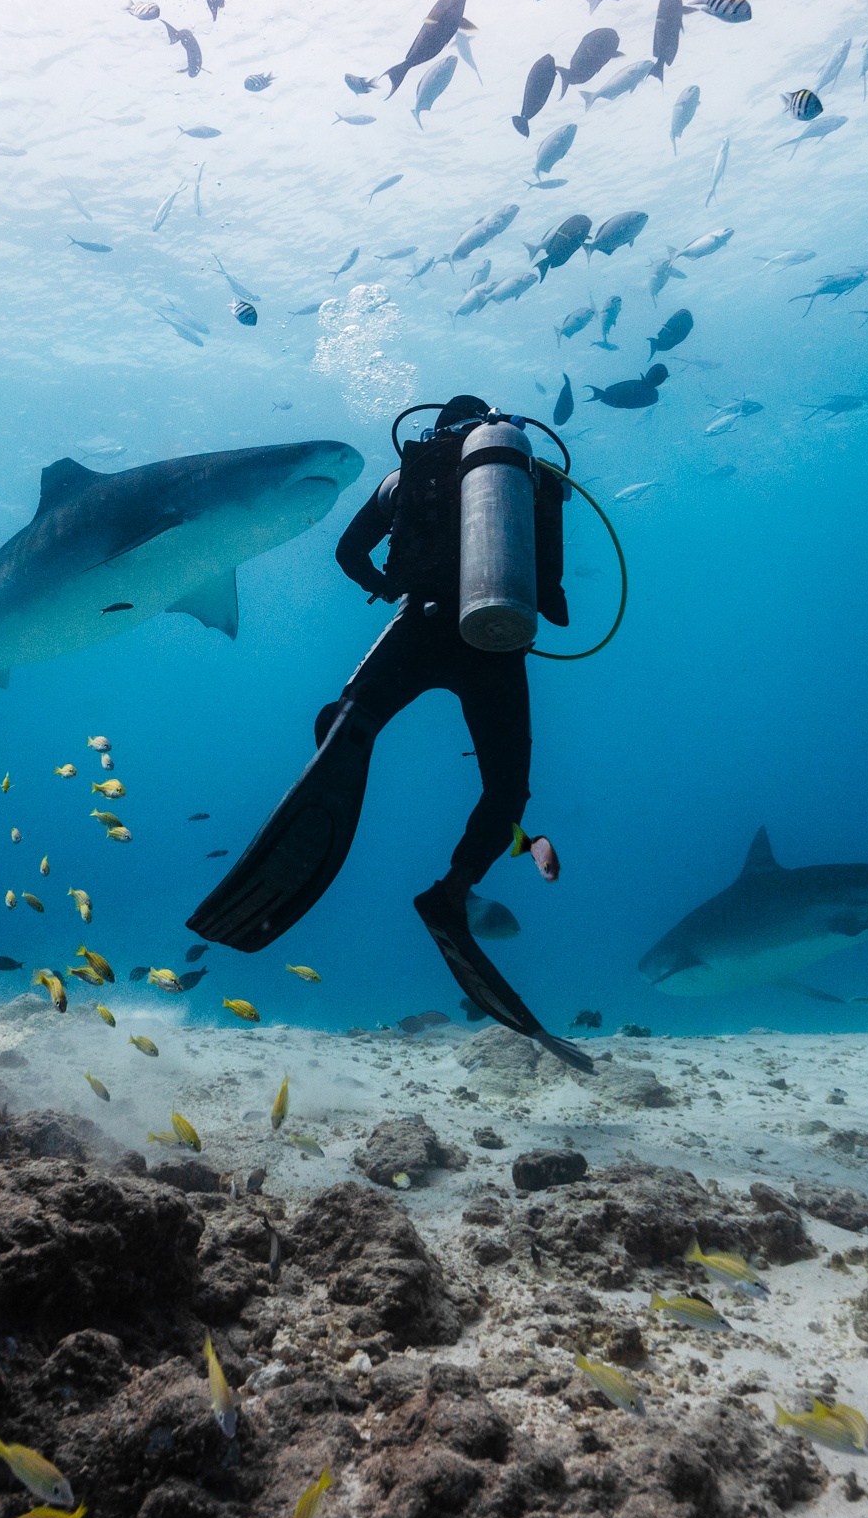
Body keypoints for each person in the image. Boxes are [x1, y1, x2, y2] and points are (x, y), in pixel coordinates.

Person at [188, 396, 590, 1070]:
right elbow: (552, 594)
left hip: (421, 619)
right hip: (496, 641)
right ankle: (453, 893)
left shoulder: (407, 473)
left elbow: (349, 552)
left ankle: (345, 741)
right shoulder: (531, 479)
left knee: (350, 715)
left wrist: (393, 586)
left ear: (440, 430)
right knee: (507, 792)